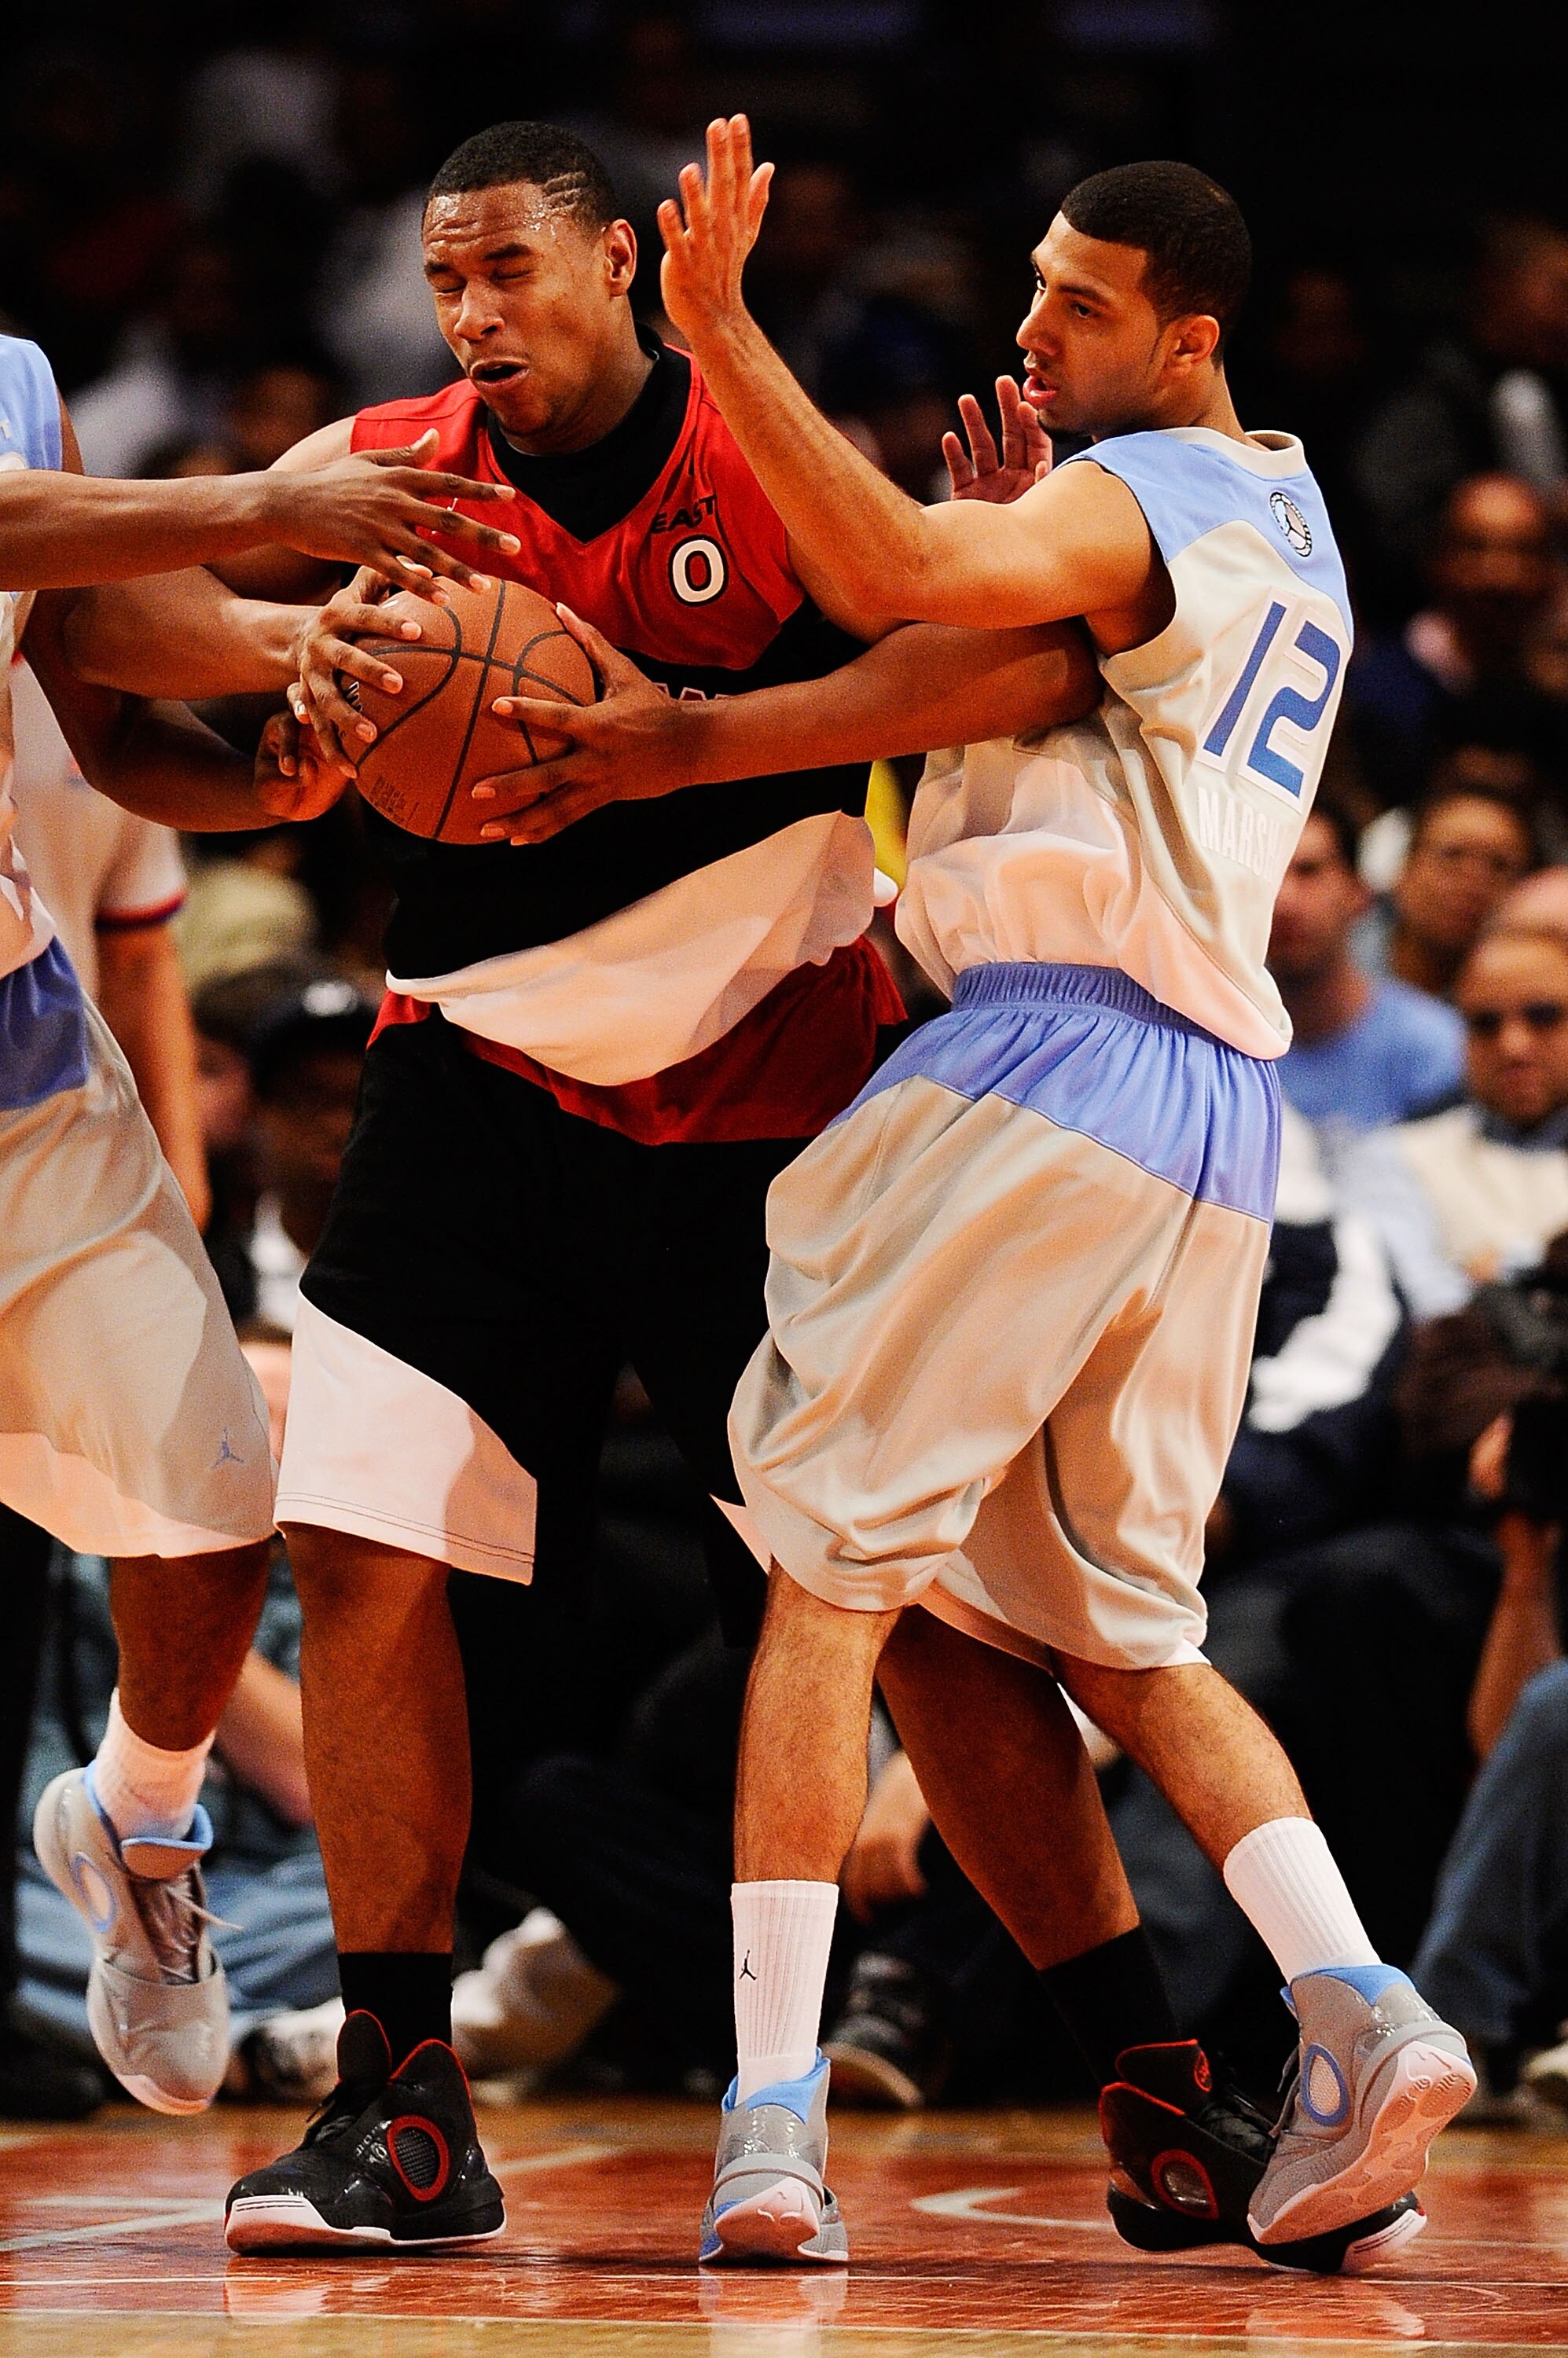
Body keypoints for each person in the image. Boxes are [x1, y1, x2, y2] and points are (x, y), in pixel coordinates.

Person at [107, 117, 1214, 2259]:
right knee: (358, 1553)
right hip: (473, 1073)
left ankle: (1160, 2072)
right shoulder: (392, 463)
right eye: (441, 281)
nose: (471, 316)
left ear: (621, 264)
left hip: (769, 1095)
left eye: (508, 269)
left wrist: (692, 740)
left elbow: (1012, 666)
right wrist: (287, 681)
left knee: (918, 1623)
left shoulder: (761, 462)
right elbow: (120, 645)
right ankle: (397, 2102)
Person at [491, 125, 1477, 2261]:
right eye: (1029, 284)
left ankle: (766, 2119)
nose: (1030, 325)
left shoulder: (1160, 493)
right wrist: (995, 530)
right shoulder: (1277, 515)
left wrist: (721, 335)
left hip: (1043, 1058)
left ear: (1189, 339)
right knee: (1123, 1633)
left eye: (1080, 304)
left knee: (826, 1581)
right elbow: (983, 660)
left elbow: (888, 596)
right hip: (1210, 1106)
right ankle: (1364, 2008)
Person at [0, 325, 519, 2127]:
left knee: (217, 1500)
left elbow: (84, 644)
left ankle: (141, 1822)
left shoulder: (19, 376)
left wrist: (304, 691)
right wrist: (272, 505)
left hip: (20, 1049)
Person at [1341, 928, 1568, 1316]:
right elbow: (1412, 1306)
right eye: (1485, 1023)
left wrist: (1500, 1269)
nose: (1513, 1046)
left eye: (1543, 1016)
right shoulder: (1397, 1157)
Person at [1269, 806, 1466, 1165]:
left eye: (1309, 871)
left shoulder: (1439, 1046)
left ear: (1358, 893)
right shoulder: (1205, 1043)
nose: (1285, 900)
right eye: (1268, 872)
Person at [1360, 785, 1535, 1001]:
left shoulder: (1526, 1002)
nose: (1472, 882)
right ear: (1404, 869)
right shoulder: (1334, 960)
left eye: (1499, 866)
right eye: (1452, 855)